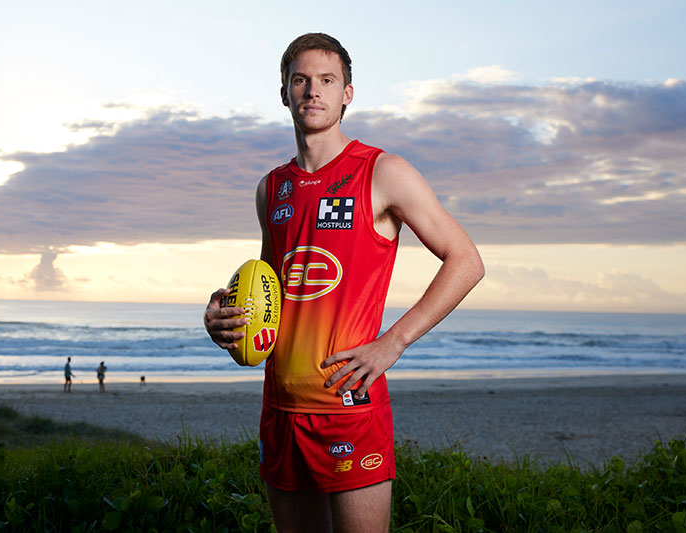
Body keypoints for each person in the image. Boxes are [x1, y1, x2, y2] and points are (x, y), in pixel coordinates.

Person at [204, 33, 484, 532]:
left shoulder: (382, 172)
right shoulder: (272, 188)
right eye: (301, 80)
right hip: (280, 407)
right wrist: (226, 317)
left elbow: (466, 262)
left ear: (347, 93)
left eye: (327, 80)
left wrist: (393, 342)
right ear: (285, 92)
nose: (313, 91)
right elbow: (272, 291)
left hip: (348, 405)